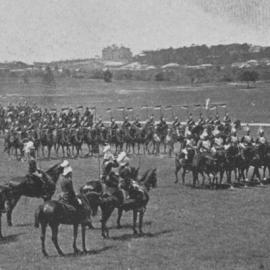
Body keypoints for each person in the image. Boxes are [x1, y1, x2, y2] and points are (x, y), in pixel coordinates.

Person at [59, 160, 92, 226]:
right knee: (80, 203)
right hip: (68, 196)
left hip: (63, 194)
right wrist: (76, 195)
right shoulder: (69, 180)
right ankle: (82, 218)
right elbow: (71, 190)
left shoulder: (61, 178)